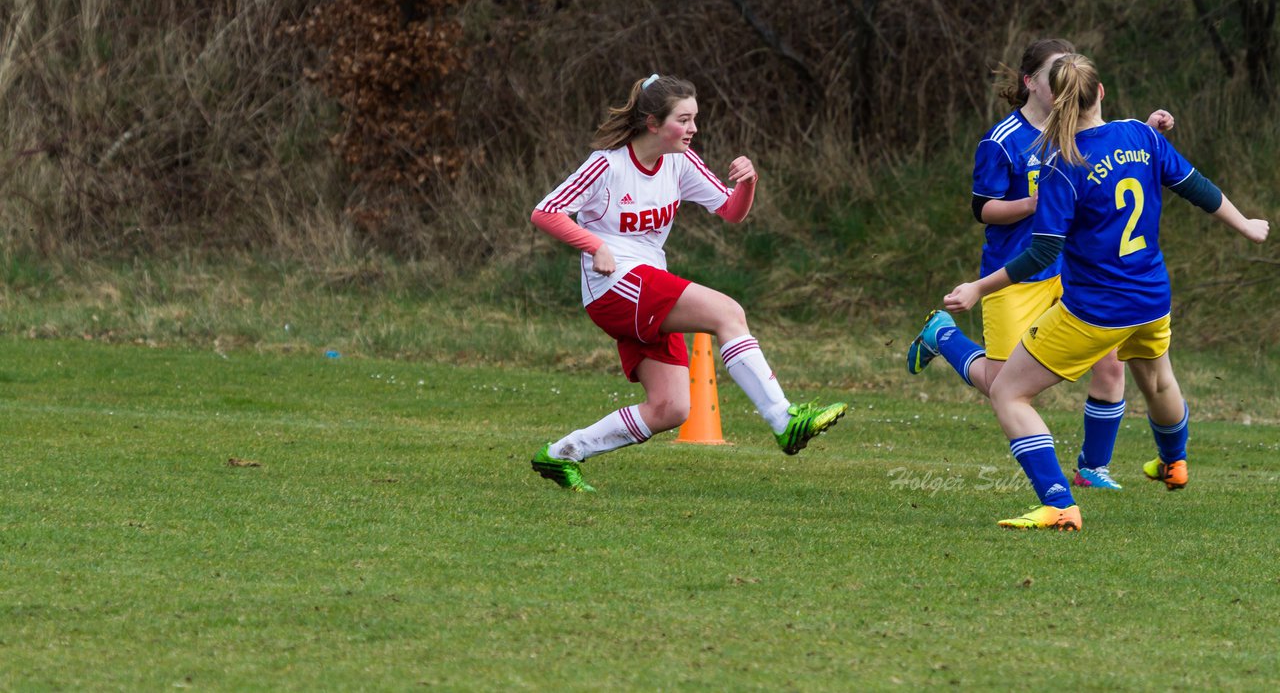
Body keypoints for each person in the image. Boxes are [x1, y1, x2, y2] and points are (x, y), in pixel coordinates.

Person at [939, 53, 1268, 530]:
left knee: (1009, 392)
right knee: (1157, 382)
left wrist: (977, 287)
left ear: (1054, 102)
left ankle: (1058, 503)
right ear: (1102, 93)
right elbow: (1196, 187)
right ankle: (1173, 462)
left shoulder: (1061, 162)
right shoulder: (1142, 134)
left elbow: (1039, 254)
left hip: (1094, 311)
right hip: (1152, 298)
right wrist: (1246, 226)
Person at [529, 73, 847, 492]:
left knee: (671, 407)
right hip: (613, 288)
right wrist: (595, 246)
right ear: (653, 123)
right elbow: (546, 212)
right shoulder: (607, 164)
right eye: (684, 119)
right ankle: (782, 419)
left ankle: (563, 453)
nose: (694, 128)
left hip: (646, 284)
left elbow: (731, 212)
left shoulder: (680, 161)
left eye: (695, 118)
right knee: (728, 312)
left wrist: (748, 183)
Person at [907, 38, 1175, 492]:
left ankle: (1093, 467)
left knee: (1110, 365)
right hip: (1013, 274)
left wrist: (1148, 129)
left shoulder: (1075, 130)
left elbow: (1113, 153)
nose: (1064, 84)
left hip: (1072, 274)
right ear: (1032, 83)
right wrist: (1034, 204)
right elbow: (984, 208)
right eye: (1056, 75)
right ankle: (943, 336)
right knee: (1000, 387)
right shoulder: (1001, 141)